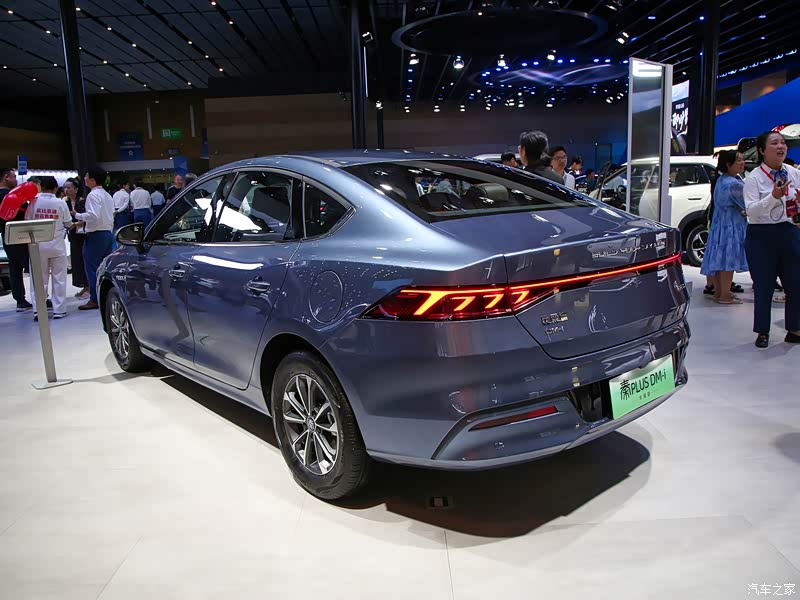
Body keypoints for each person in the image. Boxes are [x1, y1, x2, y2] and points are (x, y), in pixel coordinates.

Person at [742, 130, 800, 348]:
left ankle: (794, 329)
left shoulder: (793, 173)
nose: (780, 147)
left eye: (783, 143)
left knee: (795, 283)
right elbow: (751, 211)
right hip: (761, 236)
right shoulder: (753, 178)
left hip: (789, 231)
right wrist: (773, 197)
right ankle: (763, 331)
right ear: (762, 150)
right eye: (774, 143)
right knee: (764, 286)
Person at [700, 151, 748, 305]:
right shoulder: (735, 184)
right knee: (728, 260)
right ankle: (725, 295)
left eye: (742, 160)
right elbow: (747, 204)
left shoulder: (721, 180)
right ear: (728, 164)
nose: (742, 163)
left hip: (718, 225)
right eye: (738, 160)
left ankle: (719, 292)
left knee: (718, 258)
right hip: (731, 226)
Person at [25, 176, 73, 320]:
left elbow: (27, 221)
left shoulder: (33, 202)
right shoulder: (60, 203)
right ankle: (59, 310)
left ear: (41, 186)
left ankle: (38, 310)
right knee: (59, 278)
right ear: (55, 188)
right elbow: (68, 224)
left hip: (38, 246)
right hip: (57, 245)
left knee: (38, 279)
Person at [71, 166, 114, 311]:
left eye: (86, 176)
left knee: (92, 268)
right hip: (107, 233)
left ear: (92, 180)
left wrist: (77, 215)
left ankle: (95, 298)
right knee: (104, 267)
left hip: (96, 235)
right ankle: (105, 296)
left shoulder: (93, 195)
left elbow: (93, 215)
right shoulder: (107, 195)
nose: (84, 179)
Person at [0, 167, 34, 311]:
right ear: (6, 177)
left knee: (14, 268)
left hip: (6, 235)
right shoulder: (13, 195)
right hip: (21, 234)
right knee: (33, 267)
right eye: (13, 176)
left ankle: (20, 300)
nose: (16, 179)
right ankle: (40, 298)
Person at [64, 177, 89, 299]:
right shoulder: (66, 202)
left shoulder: (82, 202)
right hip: (73, 235)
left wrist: (74, 224)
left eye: (69, 187)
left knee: (84, 260)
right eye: (65, 187)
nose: (66, 190)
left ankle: (88, 287)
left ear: (76, 189)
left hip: (83, 235)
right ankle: (83, 285)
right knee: (76, 261)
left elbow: (87, 218)